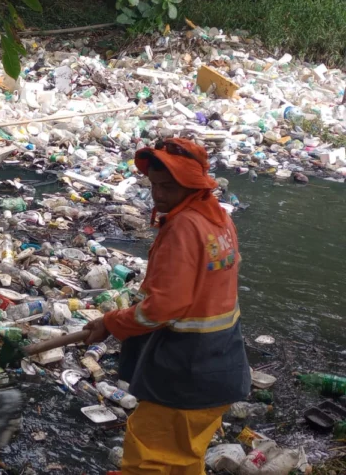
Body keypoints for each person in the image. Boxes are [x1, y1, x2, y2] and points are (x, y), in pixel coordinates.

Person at [84, 137, 250, 475]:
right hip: (223, 365)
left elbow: (162, 308)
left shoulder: (184, 226)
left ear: (192, 184)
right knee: (185, 458)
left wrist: (111, 322)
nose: (158, 194)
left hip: (187, 372)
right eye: (154, 185)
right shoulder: (218, 218)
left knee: (149, 459)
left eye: (169, 186)